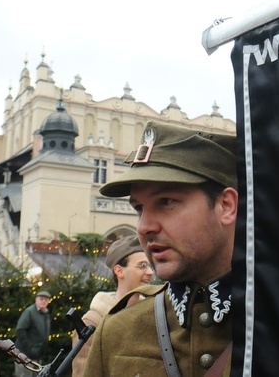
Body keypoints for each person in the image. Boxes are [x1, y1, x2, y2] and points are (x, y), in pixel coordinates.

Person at [83, 121, 238, 377]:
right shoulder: (116, 331)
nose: (144, 227)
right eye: (139, 208)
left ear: (226, 205)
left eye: (166, 201)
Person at [71, 234, 154, 376]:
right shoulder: (93, 321)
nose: (150, 272)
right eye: (142, 266)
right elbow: (83, 372)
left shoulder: (153, 315)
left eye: (150, 266)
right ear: (119, 271)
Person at [15, 290, 52, 376]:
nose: (43, 301)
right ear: (36, 300)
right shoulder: (29, 312)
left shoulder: (45, 313)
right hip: (25, 356)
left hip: (37, 357)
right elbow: (20, 330)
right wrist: (29, 349)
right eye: (41, 299)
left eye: (46, 300)